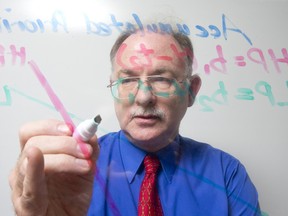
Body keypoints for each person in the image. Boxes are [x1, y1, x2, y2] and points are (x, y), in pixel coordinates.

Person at [9, 28, 261, 216]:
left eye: (162, 78)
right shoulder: (70, 172)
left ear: (192, 91)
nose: (143, 97)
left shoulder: (227, 174)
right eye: (127, 80)